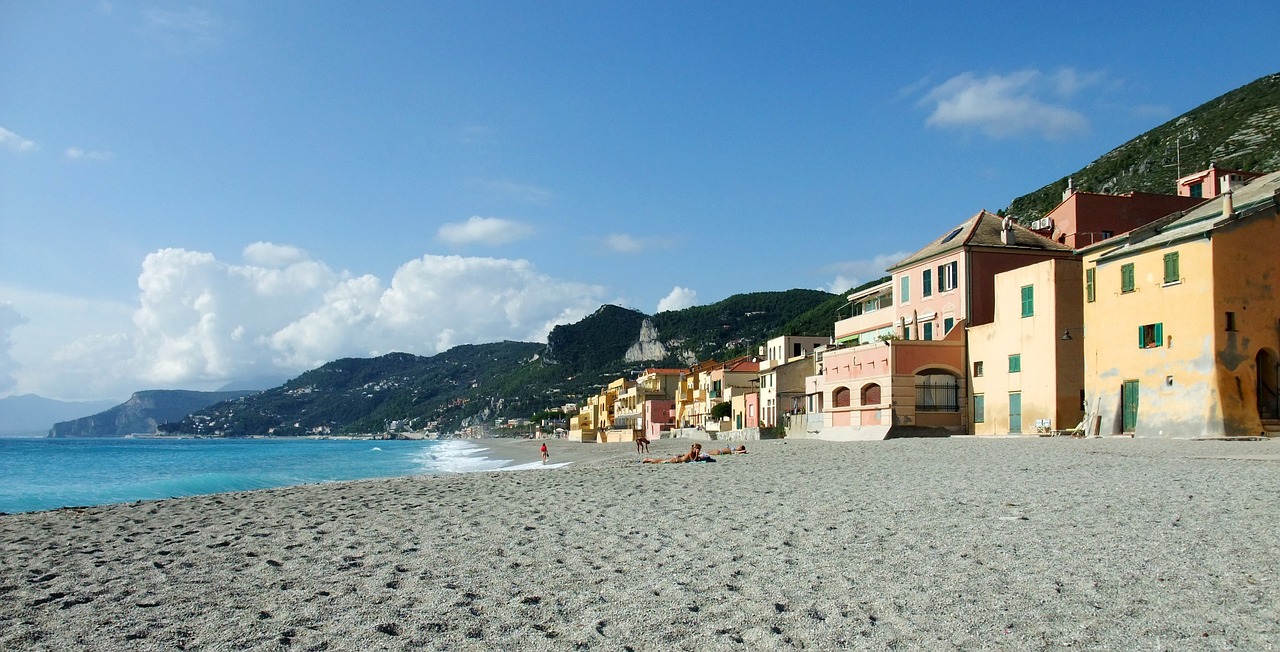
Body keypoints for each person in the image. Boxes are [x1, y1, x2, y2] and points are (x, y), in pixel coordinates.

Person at [642, 443, 713, 464]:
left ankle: (649, 460)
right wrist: (697, 455)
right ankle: (648, 459)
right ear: (694, 449)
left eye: (699, 449)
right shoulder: (691, 452)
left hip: (678, 459)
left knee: (661, 461)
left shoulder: (693, 453)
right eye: (698, 449)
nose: (698, 450)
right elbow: (693, 460)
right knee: (660, 461)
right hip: (676, 460)